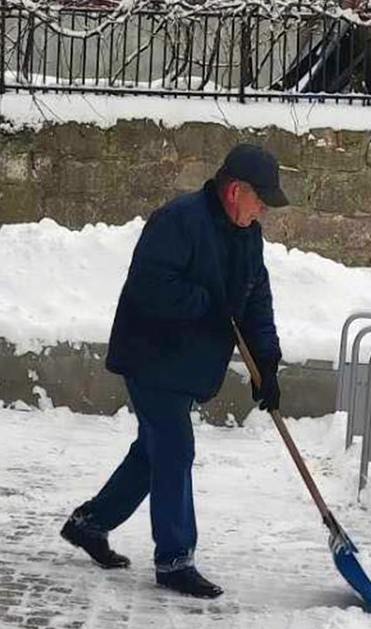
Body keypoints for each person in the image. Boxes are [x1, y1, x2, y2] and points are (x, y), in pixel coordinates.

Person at [59, 143, 287, 600]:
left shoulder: (248, 235)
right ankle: (175, 559)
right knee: (175, 448)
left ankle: (90, 524)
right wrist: (209, 304)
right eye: (261, 199)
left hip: (187, 363)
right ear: (235, 191)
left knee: (154, 453)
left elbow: (256, 300)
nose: (263, 209)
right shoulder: (179, 221)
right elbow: (150, 286)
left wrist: (267, 363)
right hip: (151, 355)